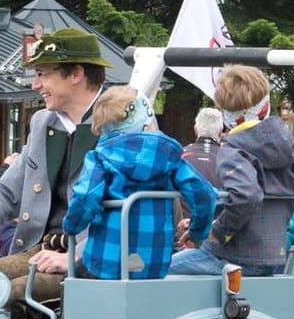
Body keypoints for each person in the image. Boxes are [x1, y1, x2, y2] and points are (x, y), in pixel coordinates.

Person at [0, 28, 111, 306]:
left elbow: (129, 214)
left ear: (77, 74)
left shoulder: (122, 126)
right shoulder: (44, 123)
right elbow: (10, 190)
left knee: (10, 294)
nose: (35, 85)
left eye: (43, 73)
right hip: (41, 250)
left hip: (94, 259)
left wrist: (77, 256)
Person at [169, 65, 294, 277]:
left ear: (225, 115)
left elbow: (246, 195)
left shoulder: (232, 149)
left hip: (232, 256)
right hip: (274, 254)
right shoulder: (288, 144)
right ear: (265, 107)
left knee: (159, 271)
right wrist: (284, 197)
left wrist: (218, 232)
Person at [62, 87, 215, 280]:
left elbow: (86, 196)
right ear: (148, 120)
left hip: (107, 262)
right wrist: (197, 232)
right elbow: (204, 195)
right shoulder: (170, 157)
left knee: (69, 283)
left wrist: (71, 226)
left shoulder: (100, 158)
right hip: (154, 264)